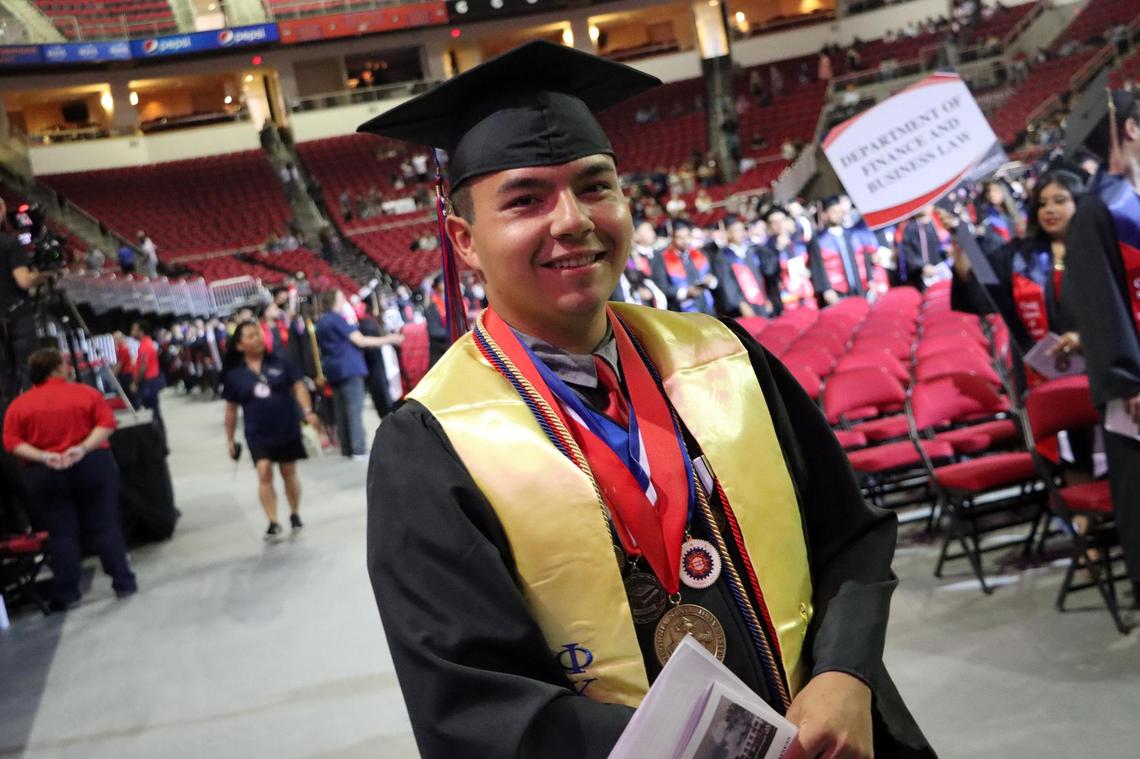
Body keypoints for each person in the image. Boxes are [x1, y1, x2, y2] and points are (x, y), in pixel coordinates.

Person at [360, 41, 932, 759]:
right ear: (464, 240)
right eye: (527, 199)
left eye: (595, 186)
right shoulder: (432, 444)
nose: (572, 219)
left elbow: (852, 536)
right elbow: (473, 709)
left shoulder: (724, 356)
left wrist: (848, 671)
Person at [1063, 89, 1140, 604]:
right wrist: (1128, 379)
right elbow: (1099, 303)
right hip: (1134, 385)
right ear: (1130, 127)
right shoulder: (1098, 209)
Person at [3, 348, 136, 609]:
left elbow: (11, 442)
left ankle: (67, 593)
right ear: (56, 369)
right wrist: (82, 448)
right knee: (105, 526)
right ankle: (123, 582)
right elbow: (106, 424)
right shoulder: (85, 393)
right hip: (92, 464)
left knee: (61, 534)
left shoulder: (19, 405)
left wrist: (44, 456)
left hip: (44, 474)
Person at [952, 168, 1085, 391]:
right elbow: (986, 289)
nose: (1049, 210)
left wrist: (1083, 337)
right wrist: (963, 240)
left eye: (1059, 201)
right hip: (1043, 367)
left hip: (1098, 361)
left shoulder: (1101, 248)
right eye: (1042, 204)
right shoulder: (1021, 256)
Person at [222, 320, 320, 541]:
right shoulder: (235, 375)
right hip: (257, 432)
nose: (256, 338)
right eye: (250, 336)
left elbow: (298, 385)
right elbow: (230, 409)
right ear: (239, 345)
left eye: (257, 334)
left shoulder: (280, 362)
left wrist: (307, 410)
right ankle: (273, 521)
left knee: (288, 472)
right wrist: (229, 439)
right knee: (263, 471)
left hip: (285, 427)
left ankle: (294, 513)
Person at [315, 289, 401, 459]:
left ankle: (347, 448)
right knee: (354, 409)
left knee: (341, 410)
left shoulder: (322, 322)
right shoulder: (338, 320)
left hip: (333, 370)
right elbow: (359, 340)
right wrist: (389, 339)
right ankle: (358, 448)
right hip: (349, 368)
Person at [1, 198, 52, 395]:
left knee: (5, 379)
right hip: (16, 317)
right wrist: (42, 275)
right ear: (2, 210)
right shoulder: (9, 244)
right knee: (29, 370)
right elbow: (23, 280)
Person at [809, 196, 874, 305]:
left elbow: (864, 257)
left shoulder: (852, 234)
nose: (838, 215)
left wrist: (870, 279)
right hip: (837, 291)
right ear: (824, 214)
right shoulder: (819, 240)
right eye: (834, 211)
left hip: (860, 286)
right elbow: (817, 267)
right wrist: (826, 289)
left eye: (840, 211)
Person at [651, 221, 717, 313]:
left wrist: (711, 280)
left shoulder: (699, 253)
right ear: (672, 238)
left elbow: (710, 274)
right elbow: (662, 287)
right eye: (680, 237)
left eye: (687, 236)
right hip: (681, 310)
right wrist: (686, 292)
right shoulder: (661, 258)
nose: (685, 241)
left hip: (707, 306)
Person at [713, 215, 769, 317]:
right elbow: (727, 284)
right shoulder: (723, 257)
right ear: (728, 234)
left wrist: (766, 297)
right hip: (742, 306)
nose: (741, 233)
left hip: (759, 300)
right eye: (736, 230)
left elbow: (758, 277)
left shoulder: (749, 251)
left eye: (742, 230)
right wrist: (741, 304)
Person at [897, 205, 947, 290]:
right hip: (923, 274)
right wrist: (922, 266)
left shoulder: (933, 223)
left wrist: (945, 253)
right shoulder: (911, 227)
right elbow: (907, 251)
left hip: (938, 269)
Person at [130, 320, 164, 431]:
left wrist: (135, 383)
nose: (132, 332)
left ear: (141, 332)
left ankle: (160, 441)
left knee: (153, 413)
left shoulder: (145, 346)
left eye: (134, 330)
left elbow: (143, 367)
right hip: (150, 382)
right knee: (154, 411)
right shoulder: (147, 344)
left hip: (148, 383)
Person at [423, 275, 451, 367]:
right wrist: (455, 332)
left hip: (451, 349)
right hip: (440, 353)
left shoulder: (450, 302)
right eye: (443, 282)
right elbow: (434, 331)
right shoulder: (432, 307)